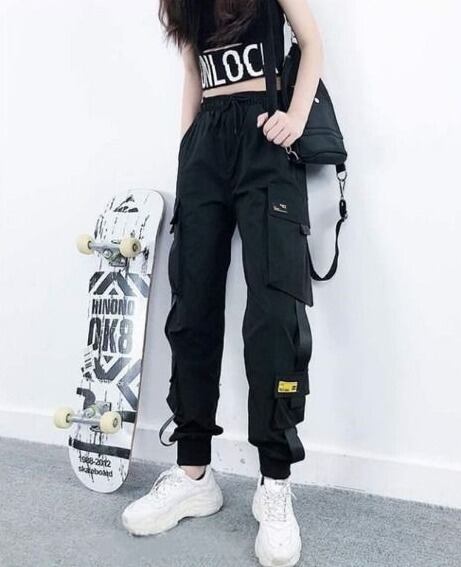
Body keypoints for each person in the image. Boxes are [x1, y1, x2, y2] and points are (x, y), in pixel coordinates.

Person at [122, 1, 323, 565]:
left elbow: (312, 43)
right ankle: (193, 474)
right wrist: (188, 148)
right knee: (192, 307)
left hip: (267, 138)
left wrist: (296, 118)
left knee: (275, 314)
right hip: (206, 144)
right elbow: (193, 70)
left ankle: (274, 482)